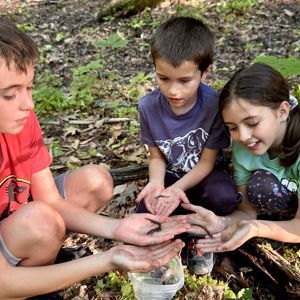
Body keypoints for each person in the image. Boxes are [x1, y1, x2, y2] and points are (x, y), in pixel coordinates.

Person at [0, 17, 189, 300]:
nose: (29, 104)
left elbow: (51, 200)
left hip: (16, 220)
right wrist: (107, 260)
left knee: (95, 181)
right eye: (9, 95)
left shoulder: (23, 123)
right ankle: (33, 286)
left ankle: (40, 263)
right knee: (40, 221)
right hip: (10, 258)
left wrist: (117, 228)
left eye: (29, 88)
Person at [135, 16, 242, 274]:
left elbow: (206, 162)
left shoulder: (213, 105)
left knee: (224, 196)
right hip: (173, 175)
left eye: (185, 81)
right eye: (164, 78)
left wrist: (177, 191)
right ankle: (169, 238)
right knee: (144, 207)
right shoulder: (148, 107)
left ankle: (200, 235)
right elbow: (157, 157)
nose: (174, 91)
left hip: (206, 176)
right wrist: (157, 184)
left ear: (204, 73)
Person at [182, 62, 300, 252]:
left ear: (282, 112)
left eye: (252, 123)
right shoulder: (243, 148)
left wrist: (258, 228)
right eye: (233, 128)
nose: (243, 137)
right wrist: (222, 222)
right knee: (261, 186)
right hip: (284, 196)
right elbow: (246, 211)